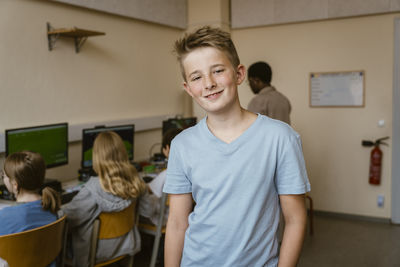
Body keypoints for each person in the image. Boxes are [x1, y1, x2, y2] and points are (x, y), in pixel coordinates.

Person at [163, 26, 310, 267]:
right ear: (188, 88)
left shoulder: (280, 138)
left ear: (239, 74)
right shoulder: (182, 145)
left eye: (218, 71)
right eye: (197, 77)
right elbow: (178, 223)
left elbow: (295, 219)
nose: (209, 83)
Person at [62, 131, 152, 267]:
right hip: (125, 245)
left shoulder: (92, 189)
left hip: (96, 252)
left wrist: (52, 205)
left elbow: (68, 217)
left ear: (97, 156)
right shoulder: (137, 181)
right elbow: (147, 212)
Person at [0, 151, 60, 267]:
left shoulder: (4, 217)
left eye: (4, 176)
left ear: (15, 184)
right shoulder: (51, 208)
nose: (3, 178)